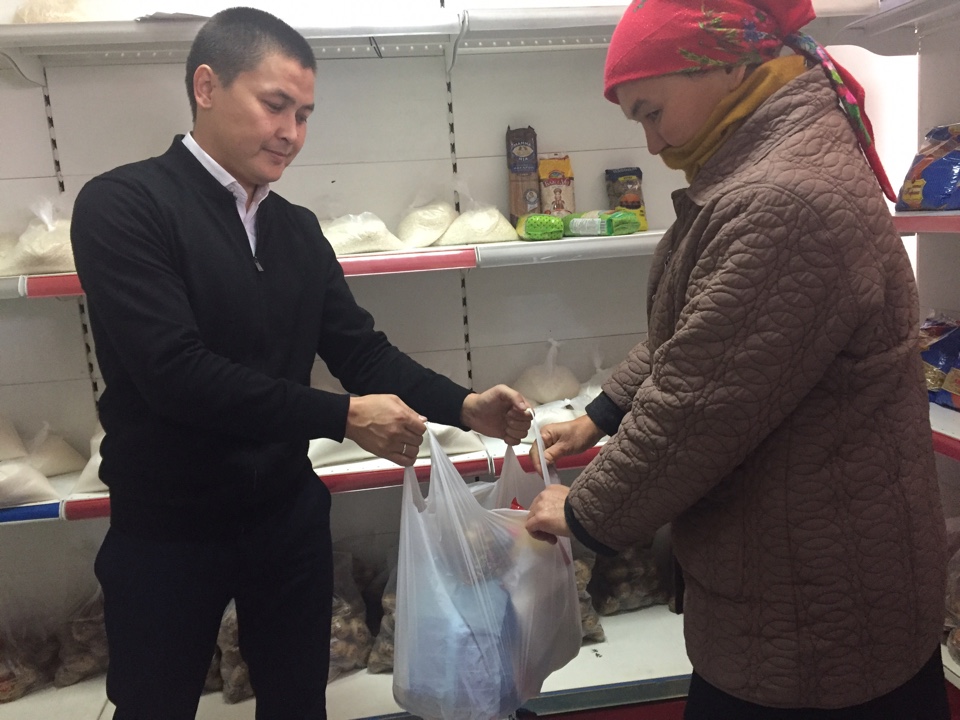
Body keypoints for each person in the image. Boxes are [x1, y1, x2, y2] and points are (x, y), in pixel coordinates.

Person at [69, 7, 530, 720]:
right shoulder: (124, 205)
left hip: (284, 517)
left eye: (305, 114)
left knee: (296, 704)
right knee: (154, 706)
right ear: (206, 87)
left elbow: (361, 351)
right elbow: (175, 374)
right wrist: (342, 416)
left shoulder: (295, 229)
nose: (291, 132)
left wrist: (464, 406)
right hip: (166, 528)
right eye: (275, 104)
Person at [525, 1, 950, 718]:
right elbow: (704, 334)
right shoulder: (762, 168)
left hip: (817, 616)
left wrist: (585, 511)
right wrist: (601, 413)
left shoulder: (783, 200)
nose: (651, 142)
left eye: (652, 112)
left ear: (723, 65)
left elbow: (697, 408)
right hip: (806, 575)